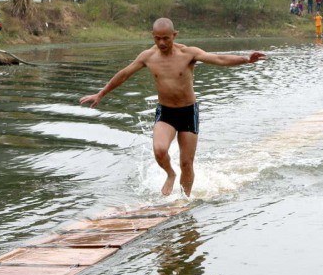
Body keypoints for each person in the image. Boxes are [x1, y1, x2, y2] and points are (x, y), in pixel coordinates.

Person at [79, 18, 265, 196]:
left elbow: (218, 59)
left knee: (186, 163)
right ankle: (170, 174)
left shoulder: (188, 53)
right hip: (166, 112)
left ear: (174, 35)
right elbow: (124, 74)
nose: (161, 42)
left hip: (188, 112)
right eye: (157, 38)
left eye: (165, 38)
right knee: (159, 150)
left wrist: (246, 59)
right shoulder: (148, 57)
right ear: (152, 36)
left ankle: (185, 198)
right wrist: (100, 93)